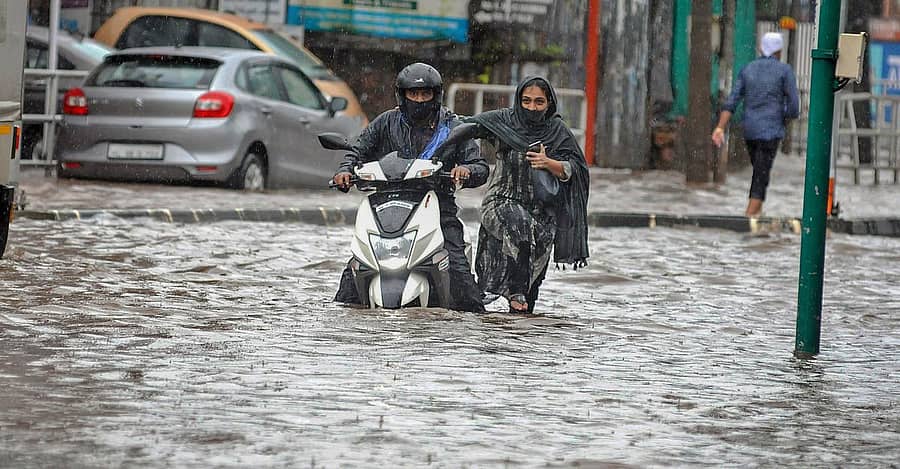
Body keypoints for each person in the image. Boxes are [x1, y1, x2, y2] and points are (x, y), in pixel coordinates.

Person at [332, 62, 489, 313]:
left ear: (436, 95)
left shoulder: (452, 126)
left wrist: (466, 171)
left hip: (437, 205)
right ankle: (343, 317)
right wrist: (345, 171)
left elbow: (479, 166)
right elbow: (357, 150)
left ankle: (476, 320)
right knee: (356, 267)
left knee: (457, 267)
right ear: (402, 95)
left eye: (425, 94)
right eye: (413, 94)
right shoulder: (386, 122)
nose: (419, 100)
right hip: (386, 205)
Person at [464, 76, 589, 314]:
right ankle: (513, 293)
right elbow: (466, 127)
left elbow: (577, 168)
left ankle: (521, 330)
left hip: (542, 211)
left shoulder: (557, 132)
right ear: (519, 101)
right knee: (520, 228)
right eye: (526, 101)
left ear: (549, 103)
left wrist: (548, 162)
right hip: (502, 201)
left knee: (528, 302)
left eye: (539, 102)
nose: (532, 107)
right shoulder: (503, 121)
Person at [711, 31, 800, 217]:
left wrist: (720, 127)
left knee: (758, 170)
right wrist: (781, 115)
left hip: (750, 131)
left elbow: (732, 101)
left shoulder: (748, 69)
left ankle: (757, 214)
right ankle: (749, 217)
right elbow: (794, 107)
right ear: (779, 51)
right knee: (761, 174)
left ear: (761, 48)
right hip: (771, 132)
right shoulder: (784, 71)